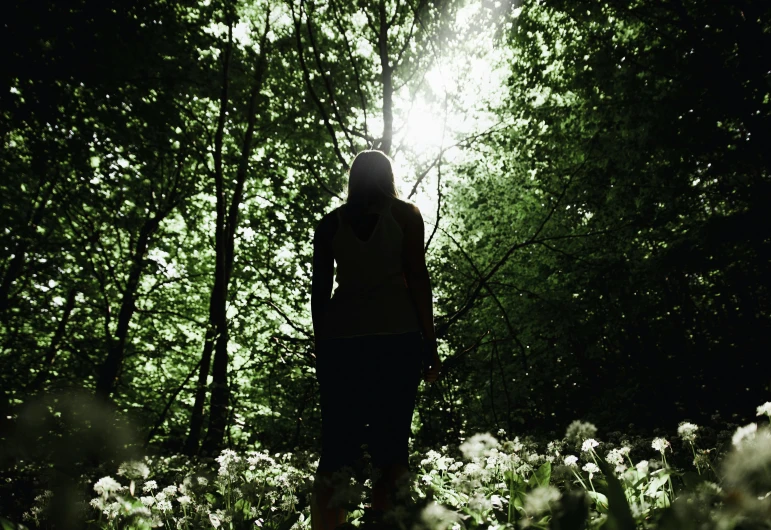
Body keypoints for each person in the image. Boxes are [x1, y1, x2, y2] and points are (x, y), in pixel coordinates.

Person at [310, 150, 442, 530]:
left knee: (336, 446)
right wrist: (430, 345)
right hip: (396, 338)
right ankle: (386, 523)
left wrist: (322, 347)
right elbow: (418, 279)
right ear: (387, 176)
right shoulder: (406, 216)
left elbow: (319, 294)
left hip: (342, 343)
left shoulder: (329, 225)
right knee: (393, 443)